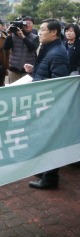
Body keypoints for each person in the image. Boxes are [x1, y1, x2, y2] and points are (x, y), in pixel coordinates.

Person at [25, 19, 70, 190]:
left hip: (50, 104)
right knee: (43, 138)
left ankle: (51, 177)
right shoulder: (49, 48)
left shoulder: (57, 52)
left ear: (54, 32)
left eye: (43, 30)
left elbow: (58, 83)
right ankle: (45, 171)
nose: (39, 33)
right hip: (43, 101)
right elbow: (47, 72)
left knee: (51, 140)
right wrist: (33, 72)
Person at [4, 16, 38, 83]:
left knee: (27, 92)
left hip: (27, 70)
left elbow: (33, 48)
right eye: (25, 23)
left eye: (29, 23)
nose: (27, 25)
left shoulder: (35, 37)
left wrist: (23, 37)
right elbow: (6, 47)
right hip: (14, 70)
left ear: (33, 25)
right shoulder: (13, 36)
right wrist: (9, 35)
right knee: (13, 91)